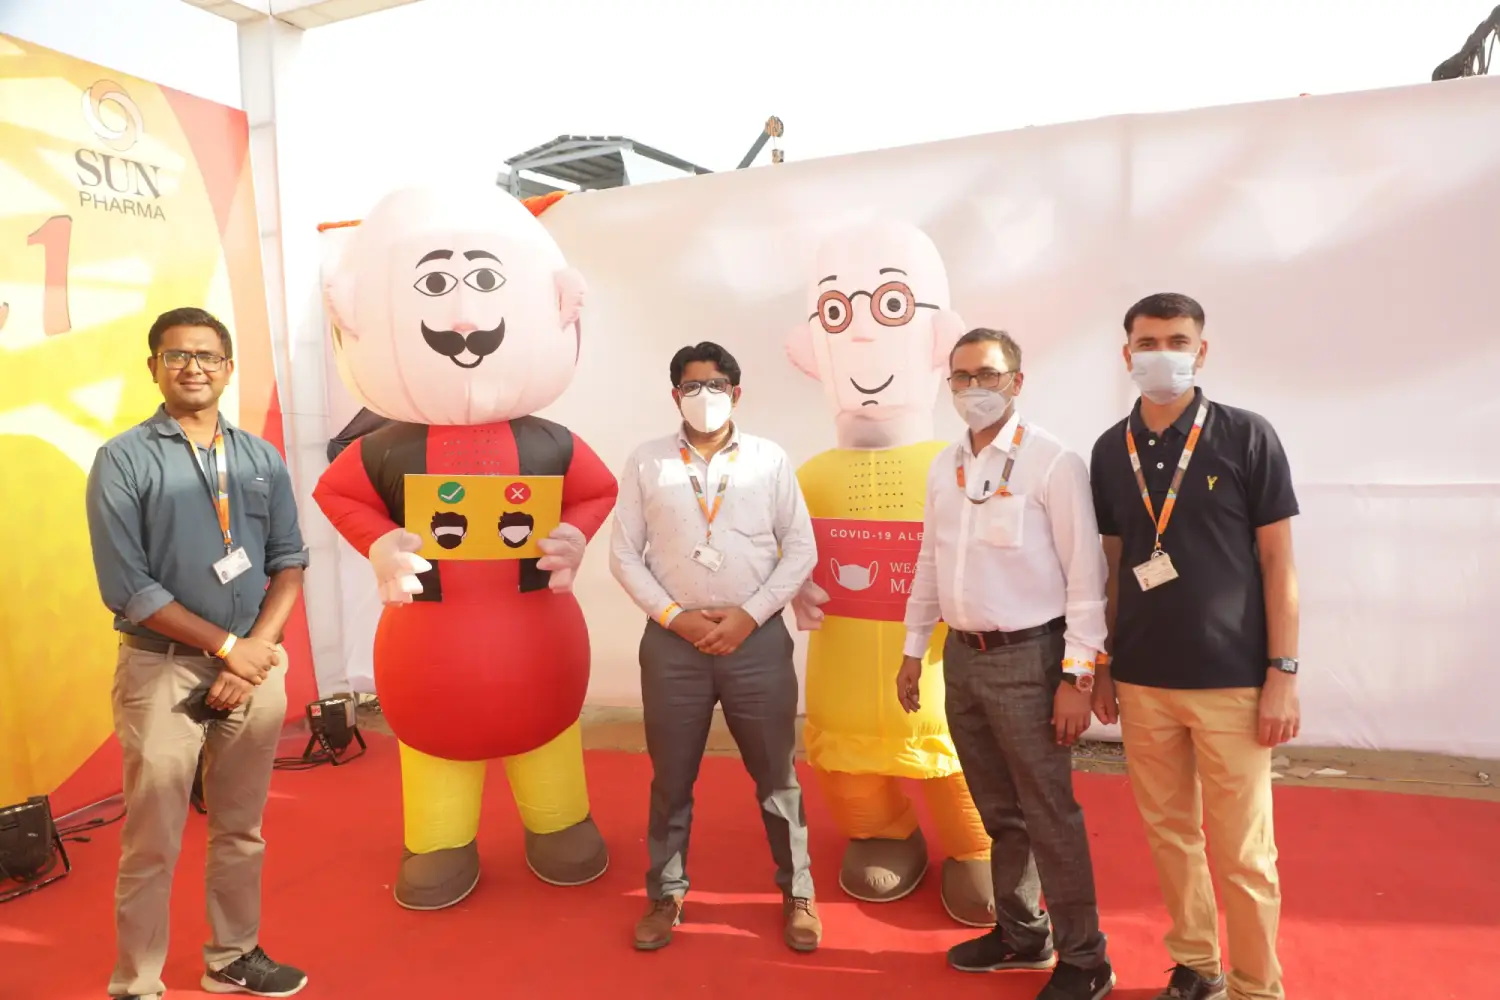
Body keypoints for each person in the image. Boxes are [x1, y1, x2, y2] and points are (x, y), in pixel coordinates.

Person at [85, 307, 309, 1000]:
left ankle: (232, 958)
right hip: (161, 667)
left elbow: (289, 561)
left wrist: (256, 654)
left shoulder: (259, 457)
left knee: (242, 830)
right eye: (176, 355)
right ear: (152, 366)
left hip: (254, 668)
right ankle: (136, 983)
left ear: (228, 368)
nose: (193, 367)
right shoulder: (122, 458)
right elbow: (130, 588)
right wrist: (228, 648)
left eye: (208, 356)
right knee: (153, 840)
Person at [1089, 293, 1300, 1000]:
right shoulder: (1108, 450)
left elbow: (1279, 564)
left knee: (1245, 851)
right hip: (1145, 681)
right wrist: (1104, 667)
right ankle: (1198, 962)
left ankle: (1255, 985)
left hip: (1234, 682)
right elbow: (1113, 568)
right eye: (1147, 342)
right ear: (1126, 356)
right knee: (1171, 834)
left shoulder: (1246, 436)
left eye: (1178, 340)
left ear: (1201, 351)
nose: (1162, 353)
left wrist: (1283, 674)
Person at [784, 222, 993, 925]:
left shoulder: (959, 466)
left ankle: (978, 847)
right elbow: (778, 551)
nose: (864, 336)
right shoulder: (805, 477)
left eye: (893, 308)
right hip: (842, 664)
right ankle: (883, 831)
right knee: (848, 772)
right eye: (839, 315)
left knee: (958, 756)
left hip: (936, 663)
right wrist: (794, 588)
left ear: (938, 335)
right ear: (812, 347)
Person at [898, 328, 1115, 1000]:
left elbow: (1087, 579)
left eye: (986, 375)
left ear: (1016, 382)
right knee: (998, 810)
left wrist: (1077, 678)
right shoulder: (943, 464)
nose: (972, 389)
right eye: (960, 377)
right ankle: (1024, 935)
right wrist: (913, 651)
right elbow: (929, 561)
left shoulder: (1053, 462)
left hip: (1032, 660)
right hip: (961, 659)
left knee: (1050, 812)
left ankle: (1087, 960)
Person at [609, 341, 821, 953]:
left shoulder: (769, 459)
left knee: (777, 777)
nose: (707, 396)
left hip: (755, 642)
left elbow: (799, 548)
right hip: (673, 646)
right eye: (694, 386)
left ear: (737, 391)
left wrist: (749, 617)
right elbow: (625, 554)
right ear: (675, 395)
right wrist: (675, 618)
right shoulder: (647, 461)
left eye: (718, 384)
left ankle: (798, 894)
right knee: (671, 779)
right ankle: (665, 893)